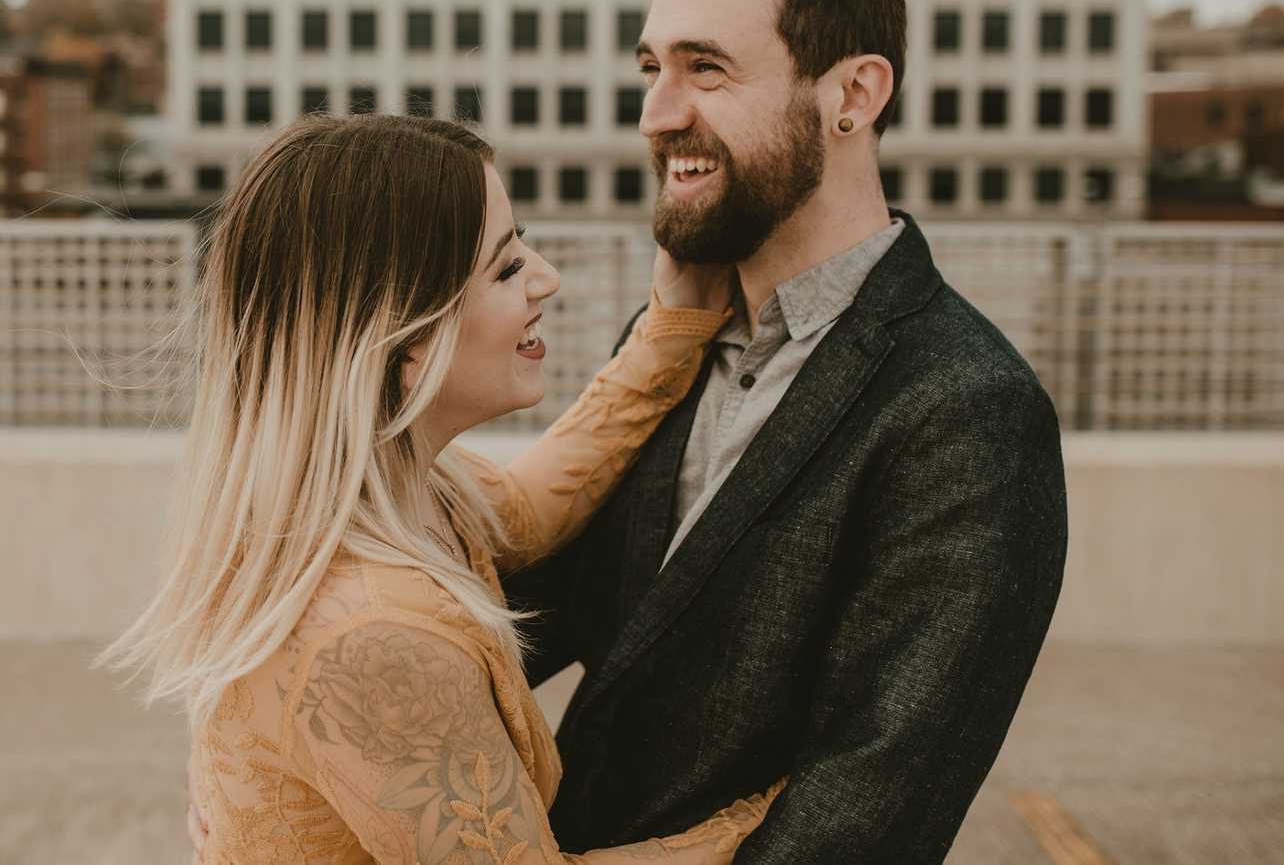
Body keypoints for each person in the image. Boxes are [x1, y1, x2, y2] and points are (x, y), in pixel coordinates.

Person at [501, 0, 1069, 862]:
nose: (655, 113)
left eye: (706, 69)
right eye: (651, 66)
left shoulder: (968, 407)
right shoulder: (674, 335)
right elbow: (510, 622)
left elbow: (865, 814)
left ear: (853, 93)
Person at [103, 113, 785, 863]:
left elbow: (530, 506)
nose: (545, 278)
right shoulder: (369, 638)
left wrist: (673, 323)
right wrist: (788, 815)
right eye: (503, 268)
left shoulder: (386, 500)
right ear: (401, 341)